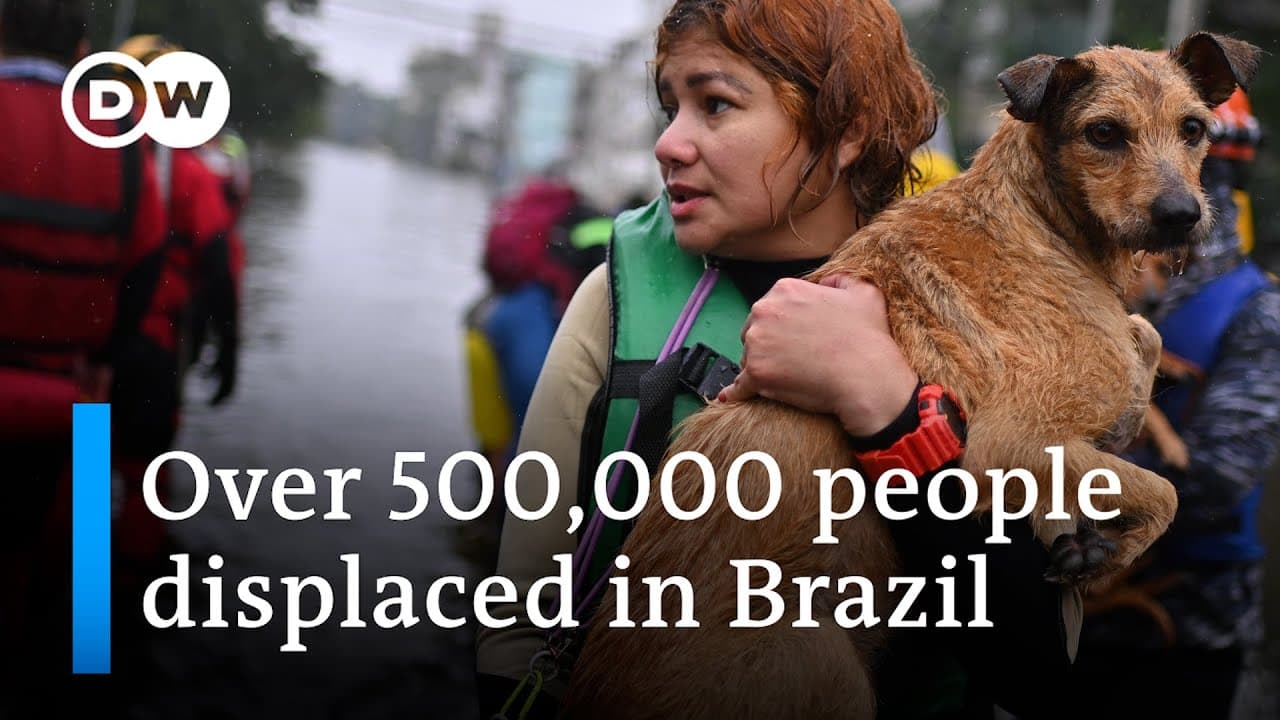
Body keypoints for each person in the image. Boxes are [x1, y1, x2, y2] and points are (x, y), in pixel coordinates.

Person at [475, 1, 1080, 718]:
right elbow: (516, 630)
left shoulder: (990, 316)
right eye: (672, 106)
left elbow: (1039, 670)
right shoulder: (614, 296)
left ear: (846, 130)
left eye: (717, 105)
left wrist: (889, 414)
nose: (669, 143)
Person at [1061, 87, 1280, 720]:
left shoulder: (1255, 310)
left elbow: (1219, 478)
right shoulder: (1087, 281)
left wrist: (1053, 482)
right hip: (1067, 622)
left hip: (1183, 630)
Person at [0, 0, 166, 694]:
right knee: (85, 619)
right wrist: (106, 352)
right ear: (81, 46)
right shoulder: (126, 140)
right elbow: (148, 264)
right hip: (80, 397)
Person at [108, 33, 244, 595]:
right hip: (153, 352)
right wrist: (229, 350)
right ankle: (117, 627)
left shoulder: (88, 149)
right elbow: (218, 265)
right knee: (146, 480)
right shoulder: (186, 169)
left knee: (82, 480)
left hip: (86, 353)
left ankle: (75, 626)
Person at [463, 176, 610, 476]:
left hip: (484, 326)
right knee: (532, 432)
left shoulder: (550, 230)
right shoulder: (618, 232)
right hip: (524, 332)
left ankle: (482, 509)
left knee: (495, 442)